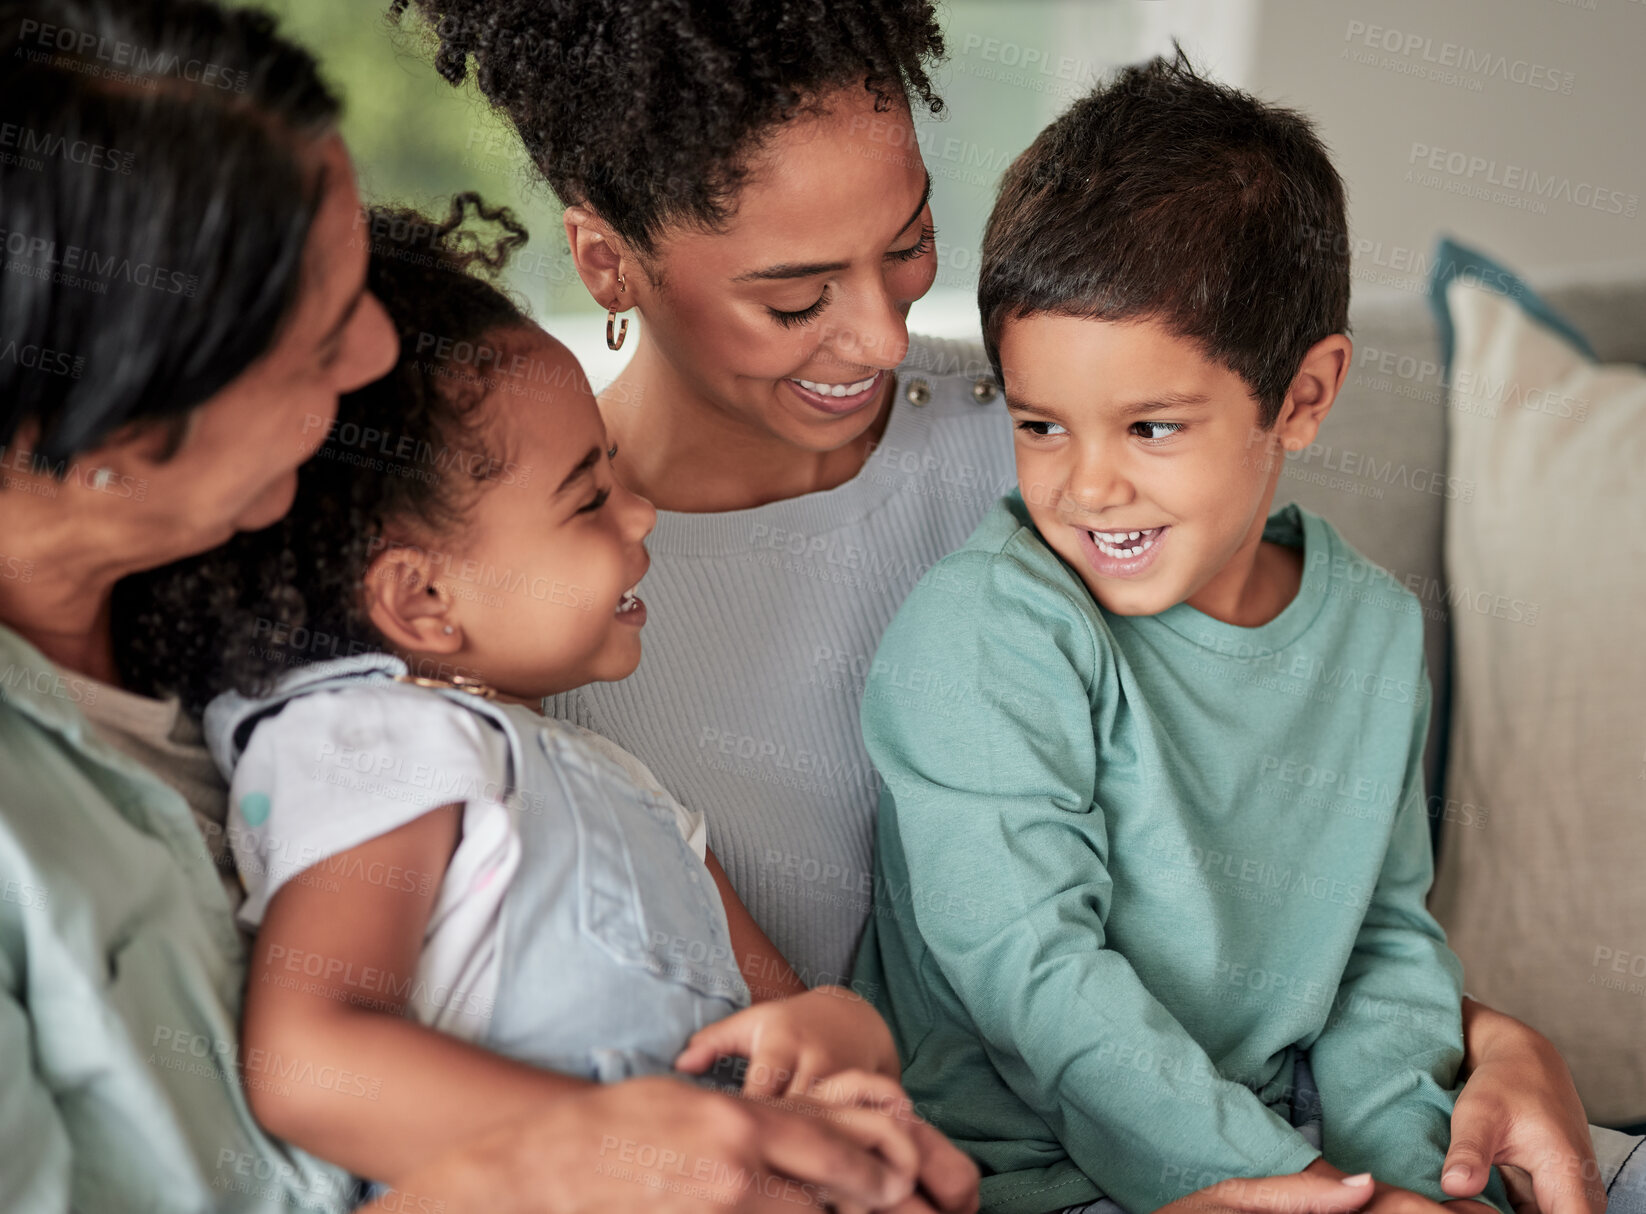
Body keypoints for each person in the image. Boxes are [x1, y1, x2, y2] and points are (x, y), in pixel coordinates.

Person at [397, 5, 1639, 1214]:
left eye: (908, 242)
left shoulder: (1067, 430)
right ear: (607, 258)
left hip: (1305, 1119)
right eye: (794, 298)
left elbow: (1302, 895)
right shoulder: (521, 607)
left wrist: (1486, 1041)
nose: (883, 336)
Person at [0, 2, 977, 1210]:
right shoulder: (326, 724)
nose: (371, 351)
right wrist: (584, 1156)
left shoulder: (291, 646)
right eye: (306, 328)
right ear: (107, 422)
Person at [851, 52, 1518, 1214]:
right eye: (1041, 425)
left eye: (1150, 427)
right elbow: (1034, 982)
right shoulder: (986, 632)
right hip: (1029, 1176)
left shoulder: (1369, 629)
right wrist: (1297, 1186)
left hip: (1294, 1143)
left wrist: (1409, 1184)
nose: (1086, 485)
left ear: (1303, 398)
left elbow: (1382, 946)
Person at [183, 198, 950, 1202]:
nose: (638, 514)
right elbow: (309, 1060)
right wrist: (624, 1139)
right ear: (421, 597)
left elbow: (787, 1021)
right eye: (586, 497)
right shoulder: (374, 739)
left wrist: (839, 1033)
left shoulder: (618, 784)